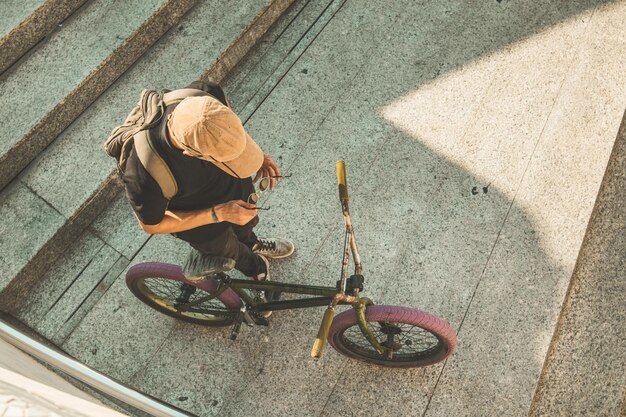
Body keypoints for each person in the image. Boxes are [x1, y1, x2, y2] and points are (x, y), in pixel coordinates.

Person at [121, 80, 294, 305]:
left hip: (234, 188)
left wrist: (257, 156)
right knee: (230, 250)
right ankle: (256, 268)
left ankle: (253, 243)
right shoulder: (143, 174)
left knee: (246, 225)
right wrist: (218, 213)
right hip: (203, 224)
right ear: (189, 153)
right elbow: (150, 225)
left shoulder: (203, 96)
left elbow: (229, 128)